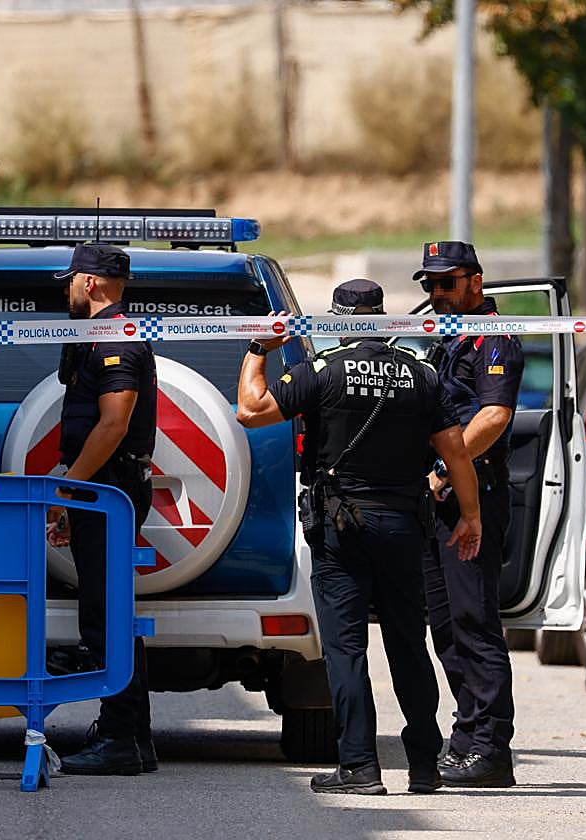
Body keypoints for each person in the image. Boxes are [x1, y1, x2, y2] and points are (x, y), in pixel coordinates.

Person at [236, 278, 482, 796]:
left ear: (338, 319)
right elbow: (456, 451)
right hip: (402, 525)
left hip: (341, 527)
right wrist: (471, 515)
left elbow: (250, 411)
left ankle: (359, 767)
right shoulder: (421, 373)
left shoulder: (322, 370)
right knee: (408, 646)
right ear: (381, 315)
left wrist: (259, 348)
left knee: (346, 648)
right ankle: (424, 765)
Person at [414, 241, 523, 787]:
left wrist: (441, 471)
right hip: (439, 503)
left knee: (475, 624)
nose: (437, 293)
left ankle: (491, 748)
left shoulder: (492, 338)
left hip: (472, 496)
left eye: (447, 283)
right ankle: (467, 738)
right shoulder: (446, 337)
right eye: (430, 284)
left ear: (476, 281)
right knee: (446, 627)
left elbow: (494, 416)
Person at [46, 242, 157, 776]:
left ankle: (118, 740)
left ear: (89, 283)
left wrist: (69, 490)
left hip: (108, 491)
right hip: (101, 489)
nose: (66, 290)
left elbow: (113, 425)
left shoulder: (116, 338)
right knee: (111, 612)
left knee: (105, 618)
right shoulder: (96, 334)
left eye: (70, 280)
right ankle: (134, 736)